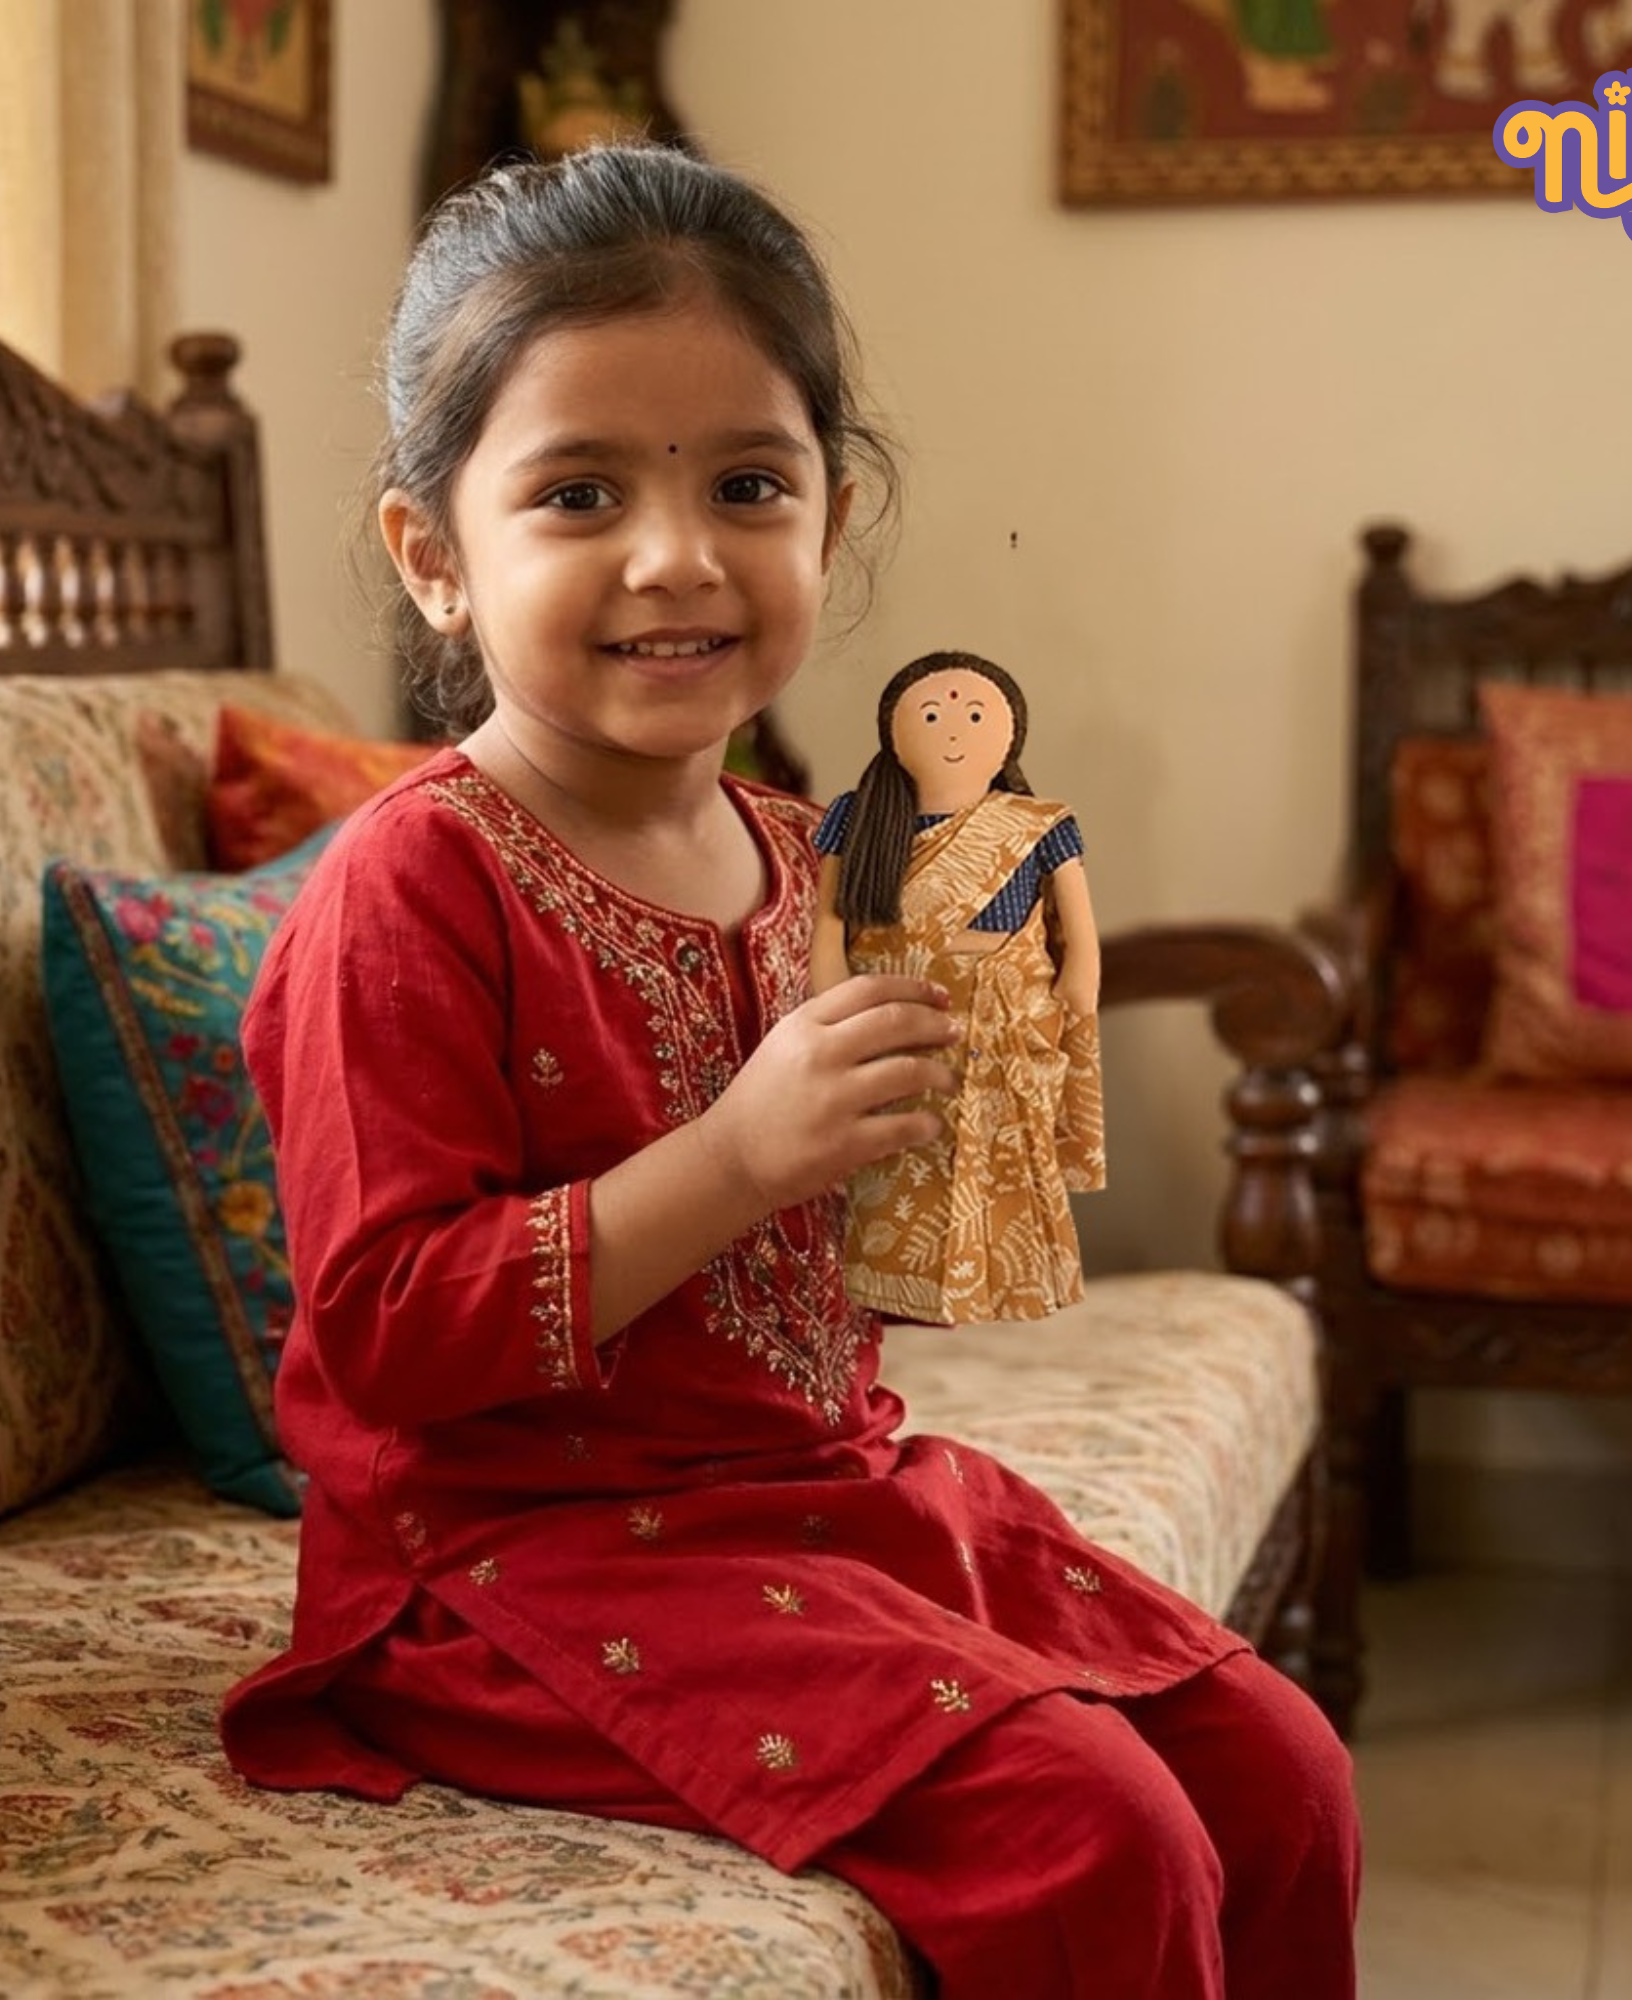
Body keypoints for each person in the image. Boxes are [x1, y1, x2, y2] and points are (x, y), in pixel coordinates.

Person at [219, 140, 1359, 2000]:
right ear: (435, 558)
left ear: (831, 520)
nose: (679, 557)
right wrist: (743, 1154)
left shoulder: (796, 845)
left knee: (1278, 1771)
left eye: (749, 483)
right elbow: (383, 1337)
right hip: (506, 1569)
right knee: (1098, 1832)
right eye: (578, 493)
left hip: (818, 1499)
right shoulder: (409, 882)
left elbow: (821, 1270)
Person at [812, 651, 1105, 1326]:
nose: (954, 730)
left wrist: (1080, 976)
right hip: (893, 1003)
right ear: (894, 731)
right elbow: (829, 916)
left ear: (1009, 736)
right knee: (894, 1154)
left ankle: (1003, 1283)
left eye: (974, 715)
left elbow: (1076, 924)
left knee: (995, 1156)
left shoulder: (1040, 823)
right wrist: (829, 985)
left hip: (1004, 1011)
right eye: (935, 714)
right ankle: (888, 1292)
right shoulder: (860, 816)